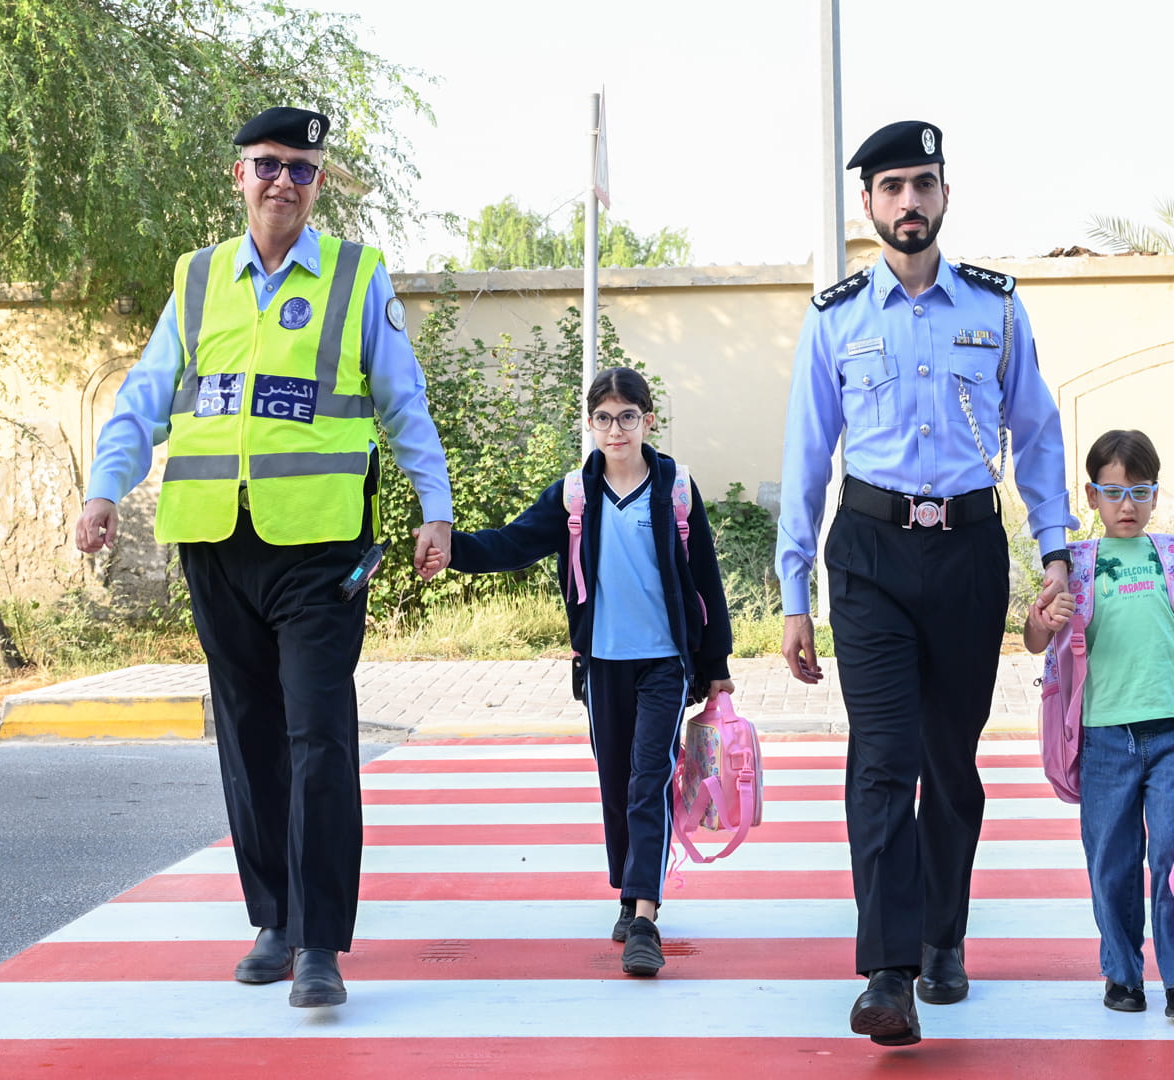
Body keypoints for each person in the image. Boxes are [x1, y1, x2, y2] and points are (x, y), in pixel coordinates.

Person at [73, 106, 454, 1009]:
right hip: (215, 539)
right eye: (267, 164)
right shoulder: (198, 279)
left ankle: (321, 942)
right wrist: (103, 486)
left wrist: (432, 508)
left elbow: (405, 403)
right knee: (248, 736)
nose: (284, 180)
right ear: (238, 176)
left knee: (318, 733)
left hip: (322, 548)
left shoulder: (357, 277)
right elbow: (146, 395)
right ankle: (274, 920)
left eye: (302, 169)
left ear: (320, 185)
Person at [776, 120, 1077, 1045]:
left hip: (969, 554)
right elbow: (804, 458)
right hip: (868, 554)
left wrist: (1055, 553)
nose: (909, 201)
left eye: (924, 184)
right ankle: (888, 971)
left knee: (949, 764)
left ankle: (944, 937)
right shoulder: (835, 319)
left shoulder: (996, 309)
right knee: (882, 759)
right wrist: (794, 594)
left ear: (944, 196)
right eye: (892, 186)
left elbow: (1038, 430)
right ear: (867, 204)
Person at [435, 366, 733, 977]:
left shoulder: (675, 489)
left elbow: (705, 577)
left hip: (663, 662)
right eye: (604, 417)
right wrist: (450, 548)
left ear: (648, 420)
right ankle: (630, 888)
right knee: (616, 782)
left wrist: (716, 664)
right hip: (600, 663)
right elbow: (512, 543)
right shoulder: (575, 494)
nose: (616, 428)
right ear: (590, 424)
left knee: (649, 777)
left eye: (628, 415)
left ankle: (645, 915)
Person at [1024, 428, 1174, 1020]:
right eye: (1112, 492)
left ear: (1156, 495)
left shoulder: (1173, 555)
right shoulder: (1077, 564)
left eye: (1140, 491)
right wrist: (1045, 615)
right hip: (1105, 739)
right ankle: (1122, 973)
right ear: (1090, 497)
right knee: (1112, 862)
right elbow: (1035, 638)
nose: (1126, 505)